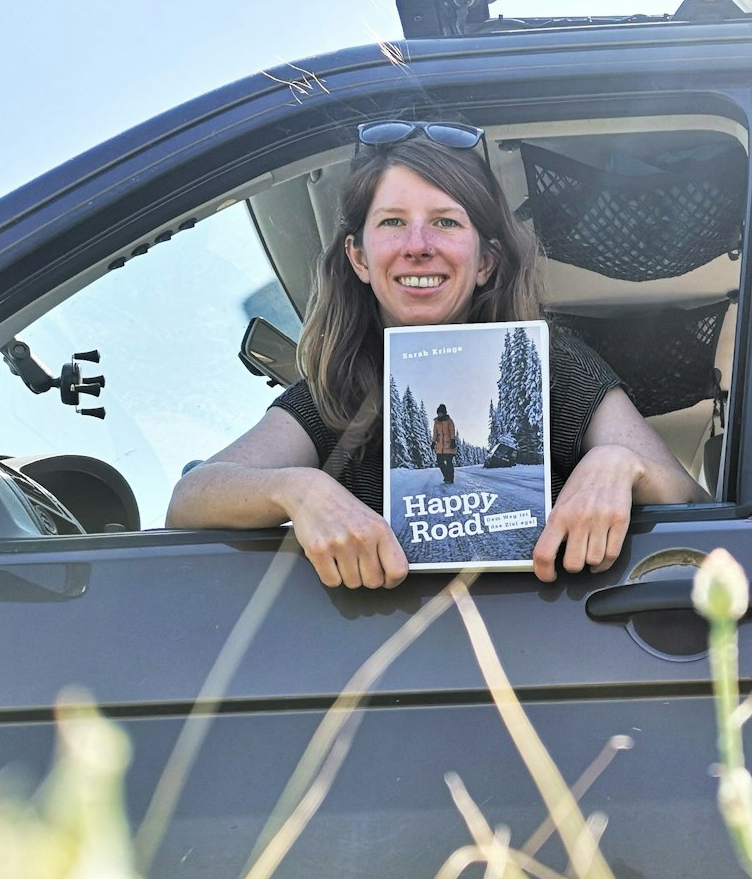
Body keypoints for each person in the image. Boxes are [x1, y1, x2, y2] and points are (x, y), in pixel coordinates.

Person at [167, 120, 707, 588]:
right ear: (358, 258)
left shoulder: (554, 366)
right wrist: (296, 489)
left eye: (446, 222)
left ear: (486, 262)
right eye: (392, 221)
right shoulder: (336, 392)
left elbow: (694, 505)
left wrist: (622, 464)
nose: (418, 244)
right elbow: (190, 501)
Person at [431, 403, 456, 485]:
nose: (439, 414)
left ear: (444, 412)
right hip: (440, 446)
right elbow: (435, 433)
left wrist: (453, 440)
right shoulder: (436, 422)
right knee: (440, 462)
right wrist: (433, 442)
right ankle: (446, 477)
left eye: (441, 413)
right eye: (438, 413)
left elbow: (452, 431)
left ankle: (450, 479)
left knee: (449, 462)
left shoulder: (449, 421)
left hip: (448, 445)